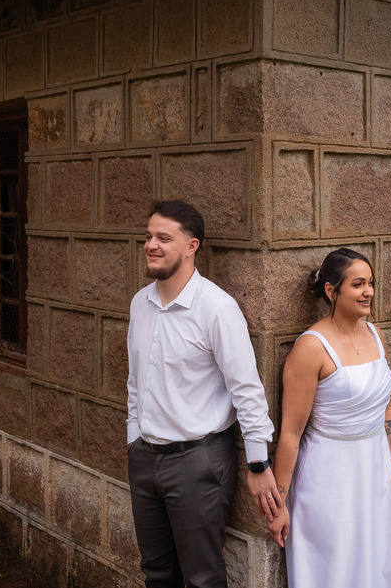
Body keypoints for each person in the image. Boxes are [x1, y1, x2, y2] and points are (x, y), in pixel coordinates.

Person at [126, 200, 283, 588]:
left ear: (191, 246)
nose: (151, 245)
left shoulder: (216, 309)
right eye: (149, 236)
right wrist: (134, 438)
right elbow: (136, 380)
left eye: (164, 238)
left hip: (197, 464)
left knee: (202, 578)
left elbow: (247, 389)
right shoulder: (140, 303)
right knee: (156, 573)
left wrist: (258, 463)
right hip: (145, 459)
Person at [267, 248, 391, 588]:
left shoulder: (375, 335)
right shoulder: (311, 347)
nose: (368, 291)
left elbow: (385, 408)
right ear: (331, 291)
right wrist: (280, 504)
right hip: (330, 477)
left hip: (376, 471)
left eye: (370, 283)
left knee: (383, 561)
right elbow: (291, 433)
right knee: (340, 567)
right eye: (357, 284)